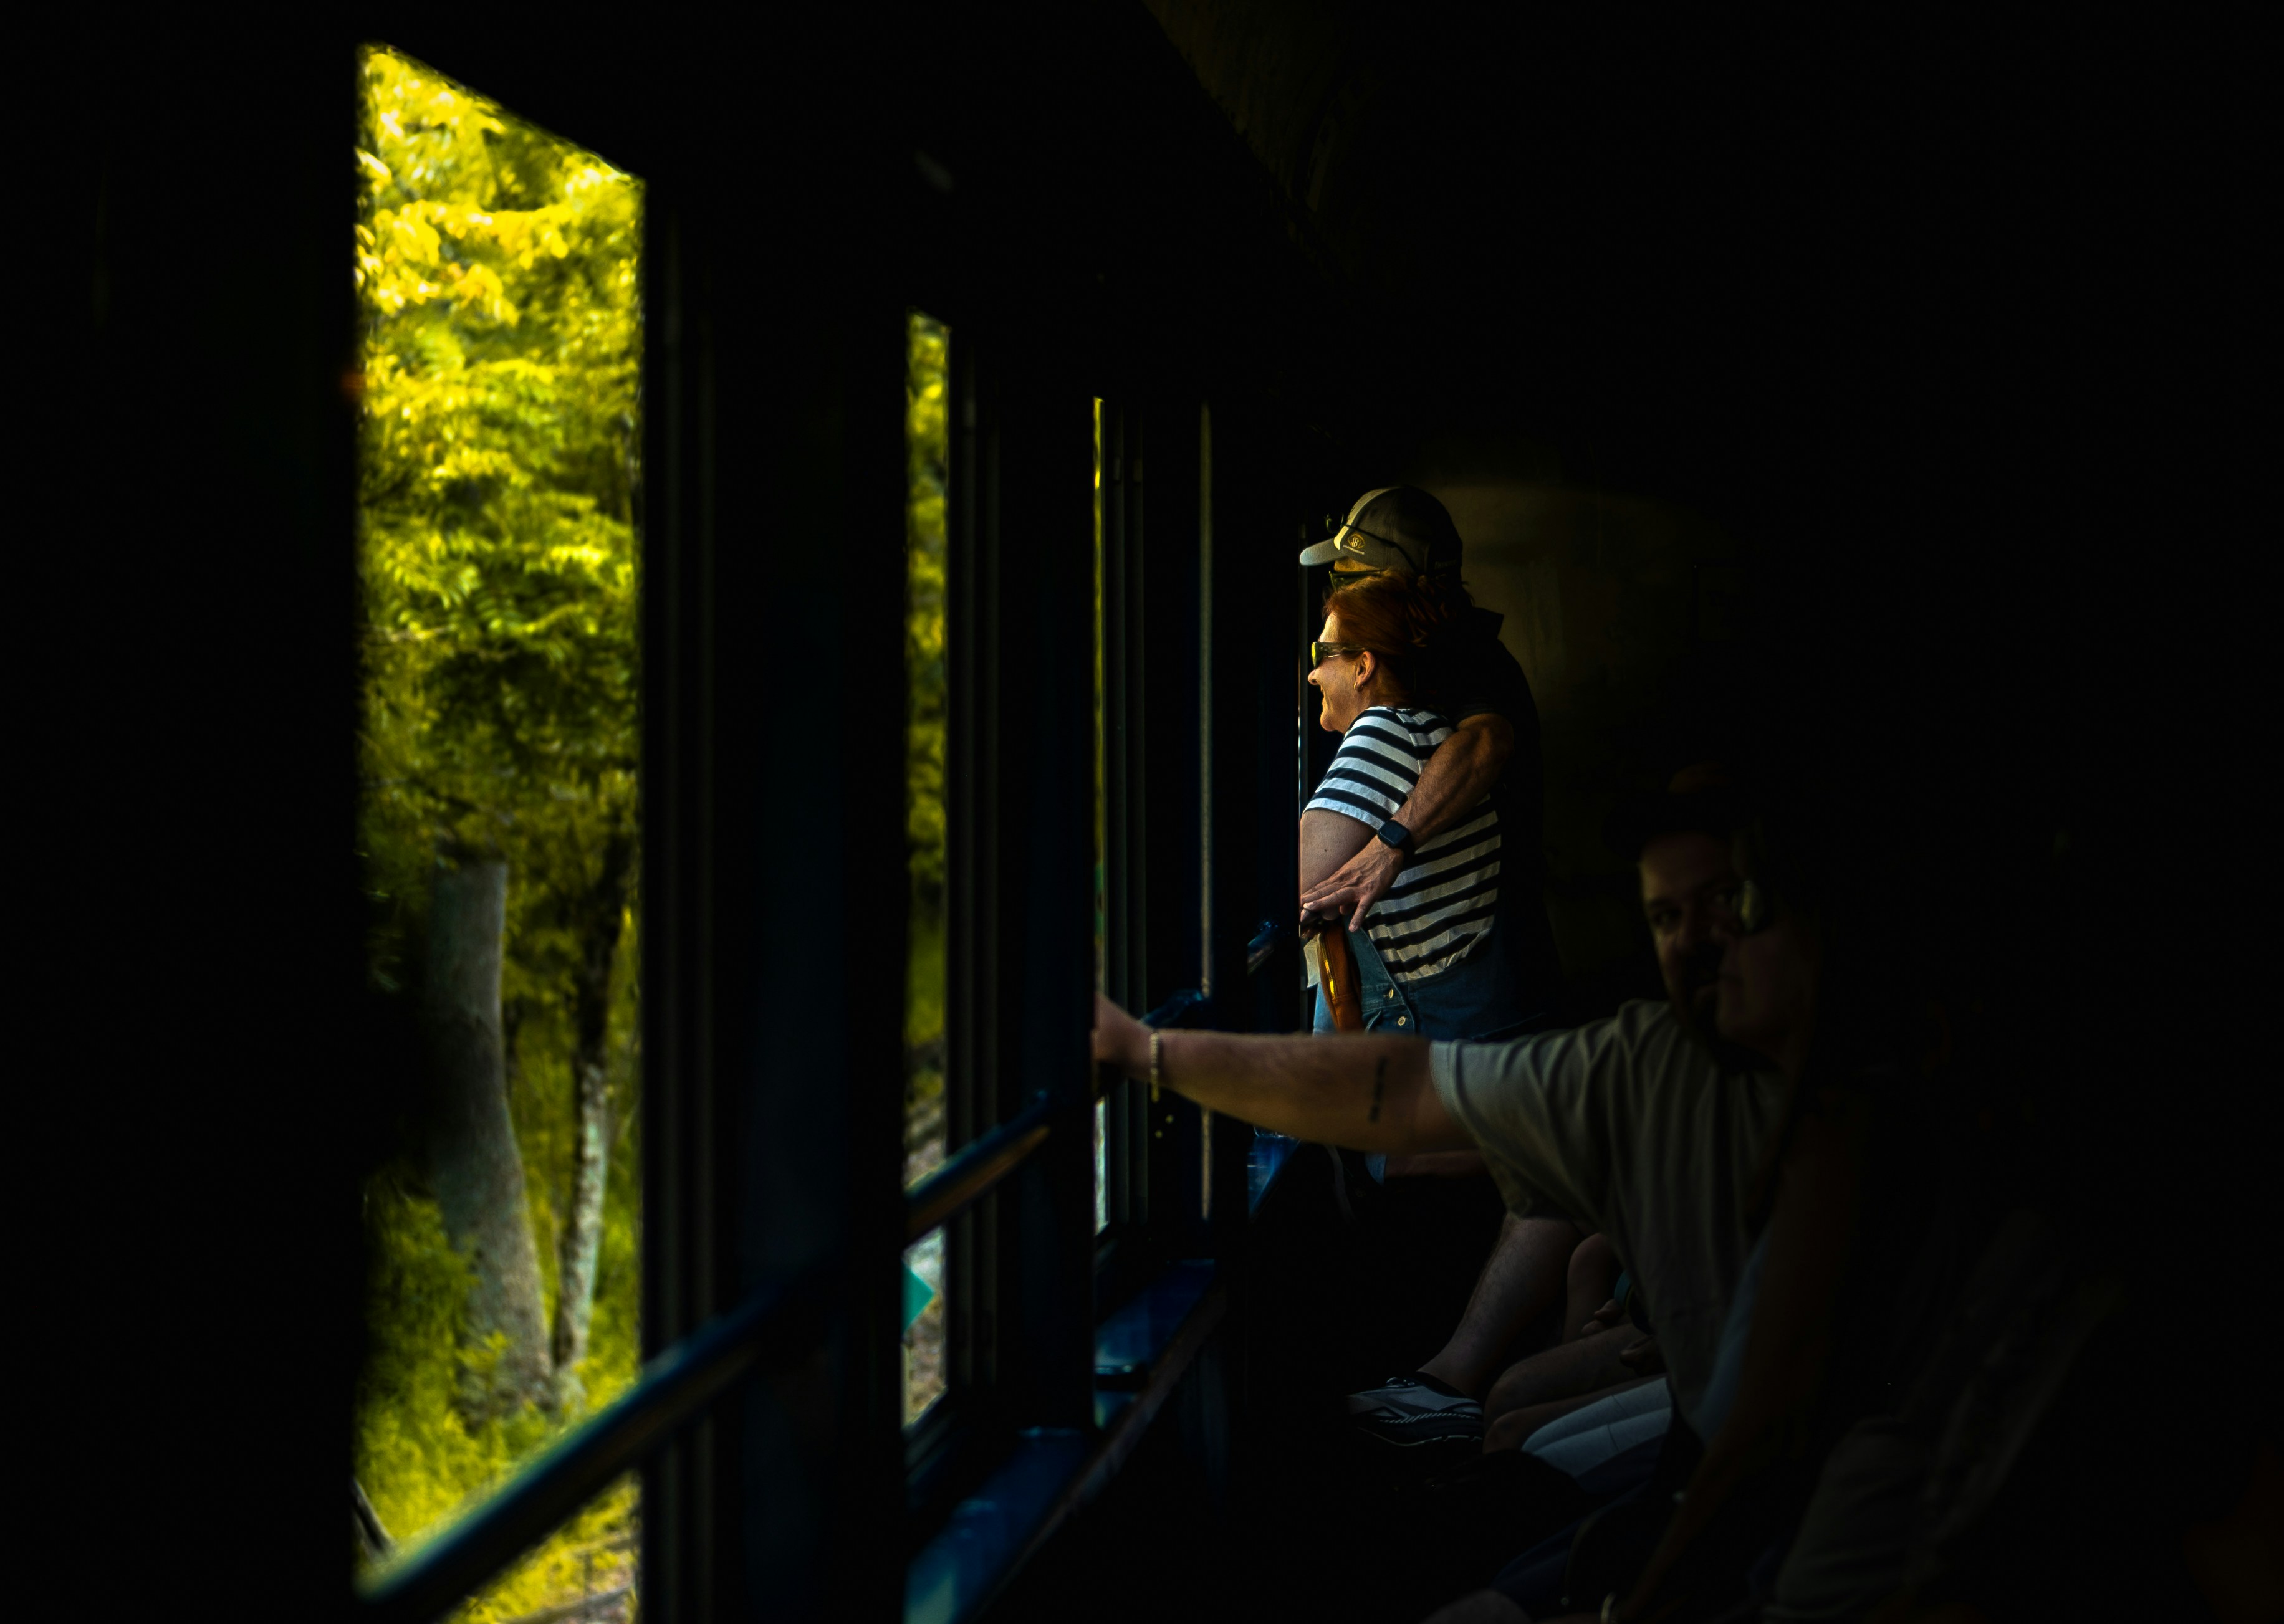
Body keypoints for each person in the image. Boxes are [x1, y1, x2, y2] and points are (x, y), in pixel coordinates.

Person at [1294, 494, 1580, 1448]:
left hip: (1452, 1036)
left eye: (1330, 637)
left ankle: (1465, 1386)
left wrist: (1385, 848)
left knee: (1573, 1146)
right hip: (1463, 1030)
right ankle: (1478, 1382)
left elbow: (1489, 741)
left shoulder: (1413, 710)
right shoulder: (1422, 696)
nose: (1313, 658)